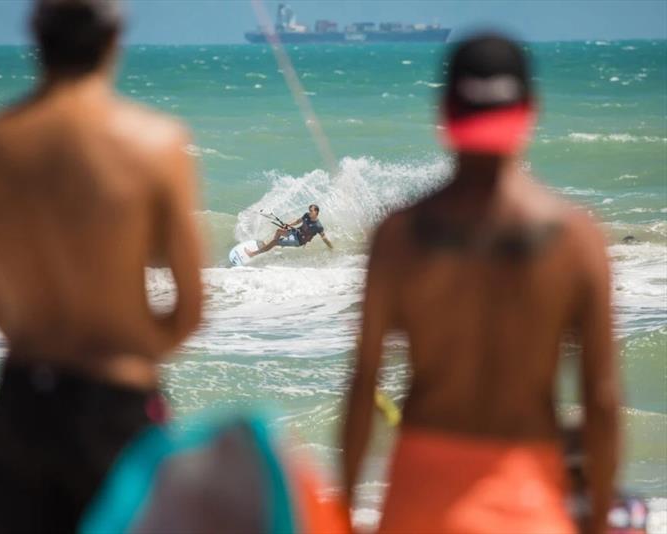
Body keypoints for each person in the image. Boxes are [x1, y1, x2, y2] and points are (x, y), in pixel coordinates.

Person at [342, 34, 619, 534]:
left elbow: (363, 384)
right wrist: (596, 522)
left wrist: (342, 511)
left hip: (419, 501)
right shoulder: (576, 238)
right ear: (531, 110)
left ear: (445, 112)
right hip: (526, 499)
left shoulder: (401, 235)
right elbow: (601, 400)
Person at [0, 0, 203, 531]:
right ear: (114, 39)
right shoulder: (157, 144)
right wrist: (131, 351)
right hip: (117, 409)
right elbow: (188, 311)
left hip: (19, 407)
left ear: (36, 38)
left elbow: (1, 310)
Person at [247, 203, 333, 257]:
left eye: (311, 211)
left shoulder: (318, 226)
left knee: (274, 242)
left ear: (316, 212)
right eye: (309, 210)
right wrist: (288, 225)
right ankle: (270, 246)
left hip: (299, 240)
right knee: (279, 231)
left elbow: (324, 238)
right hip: (295, 232)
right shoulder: (307, 215)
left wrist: (332, 248)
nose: (309, 212)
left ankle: (253, 254)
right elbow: (298, 221)